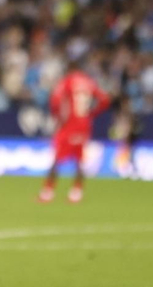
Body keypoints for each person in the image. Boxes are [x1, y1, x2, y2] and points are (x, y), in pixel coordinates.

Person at [39, 66, 110, 204]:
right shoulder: (89, 82)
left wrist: (58, 117)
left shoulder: (67, 81)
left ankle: (48, 191)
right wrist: (92, 113)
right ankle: (76, 192)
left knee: (56, 159)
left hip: (69, 125)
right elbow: (105, 100)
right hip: (84, 125)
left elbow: (55, 100)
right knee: (79, 160)